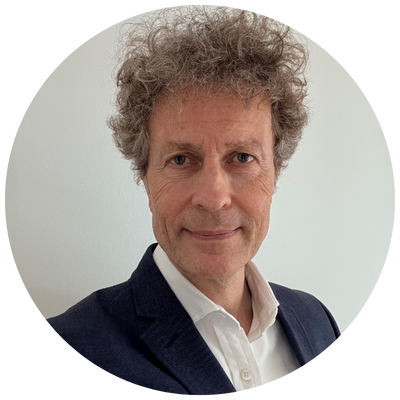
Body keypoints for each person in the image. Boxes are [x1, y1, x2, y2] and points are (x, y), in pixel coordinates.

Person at [45, 5, 341, 396]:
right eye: (181, 159)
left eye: (242, 157)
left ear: (276, 171)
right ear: (146, 178)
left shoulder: (317, 321)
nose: (214, 198)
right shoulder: (75, 343)